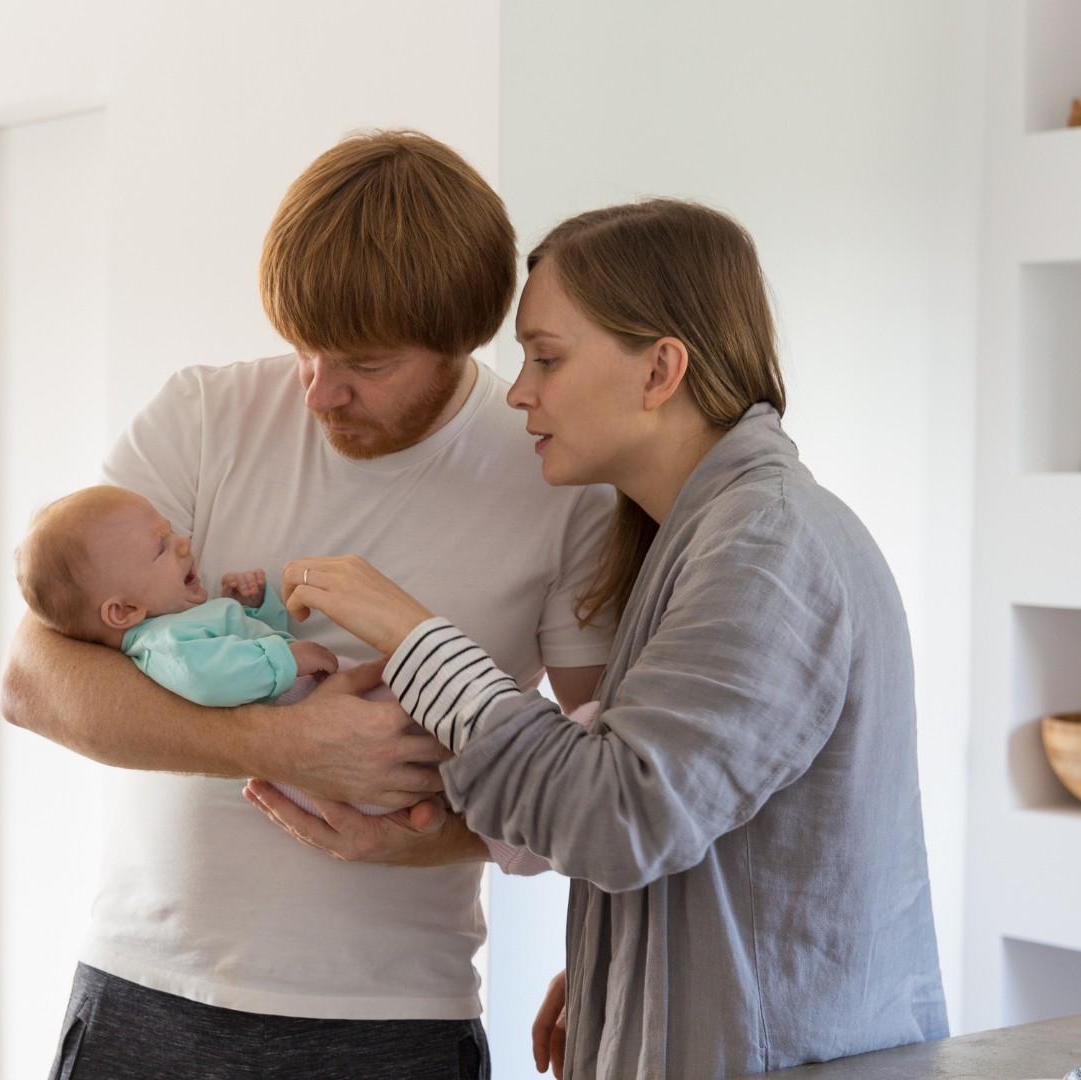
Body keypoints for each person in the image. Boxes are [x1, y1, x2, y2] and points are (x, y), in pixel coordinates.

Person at [250, 198, 950, 1079]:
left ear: (660, 370)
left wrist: (415, 635)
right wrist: (620, 963)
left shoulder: (767, 548)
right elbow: (681, 801)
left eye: (546, 356)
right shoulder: (704, 536)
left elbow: (622, 814)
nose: (518, 390)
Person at [0, 129, 617, 1079]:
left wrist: (444, 859)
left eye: (365, 364)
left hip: (392, 1018)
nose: (320, 390)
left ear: (460, 339)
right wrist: (274, 743)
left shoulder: (556, 479)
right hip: (144, 991)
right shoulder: (203, 417)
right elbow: (34, 679)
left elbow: (600, 774)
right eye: (303, 347)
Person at [14, 484, 339, 705]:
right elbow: (213, 680)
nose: (183, 542)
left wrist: (251, 609)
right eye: (161, 548)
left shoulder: (177, 620)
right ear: (124, 610)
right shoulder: (165, 645)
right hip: (304, 715)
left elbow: (253, 645)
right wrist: (289, 659)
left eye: (170, 530)